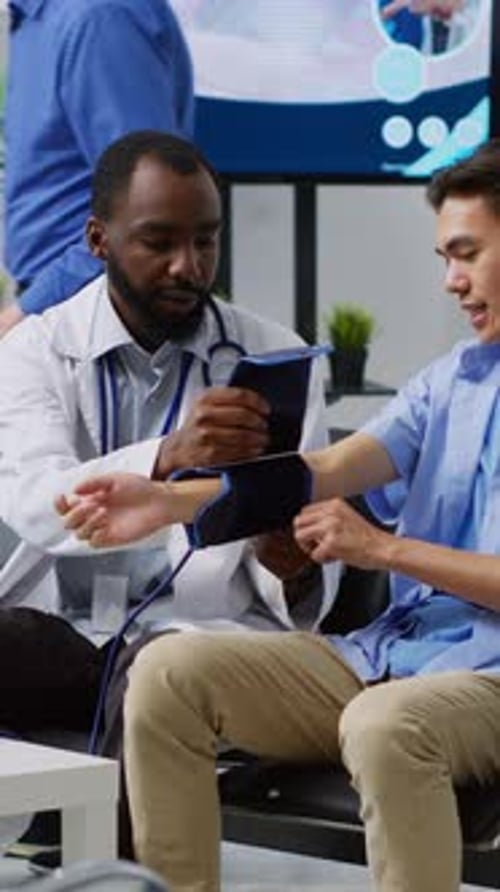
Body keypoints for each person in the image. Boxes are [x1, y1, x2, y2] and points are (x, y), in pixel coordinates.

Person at [61, 137, 500, 892]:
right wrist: (166, 498)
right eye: (442, 259)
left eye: (466, 254)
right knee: (166, 672)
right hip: (387, 658)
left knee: (387, 724)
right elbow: (320, 471)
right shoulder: (451, 382)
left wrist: (384, 551)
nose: (451, 282)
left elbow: (371, 541)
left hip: (480, 683)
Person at [0, 129, 334, 742]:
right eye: (159, 242)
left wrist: (292, 566)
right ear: (98, 240)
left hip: (198, 637)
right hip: (64, 632)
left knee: (158, 677)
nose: (188, 266)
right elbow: (38, 502)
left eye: (205, 241)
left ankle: (119, 846)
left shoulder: (275, 356)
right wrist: (166, 456)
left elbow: (302, 551)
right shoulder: (33, 351)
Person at [0, 0, 194, 337]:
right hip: (64, 308)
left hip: (97, 313)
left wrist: (28, 312)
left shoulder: (98, 16)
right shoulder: (36, 19)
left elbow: (148, 207)